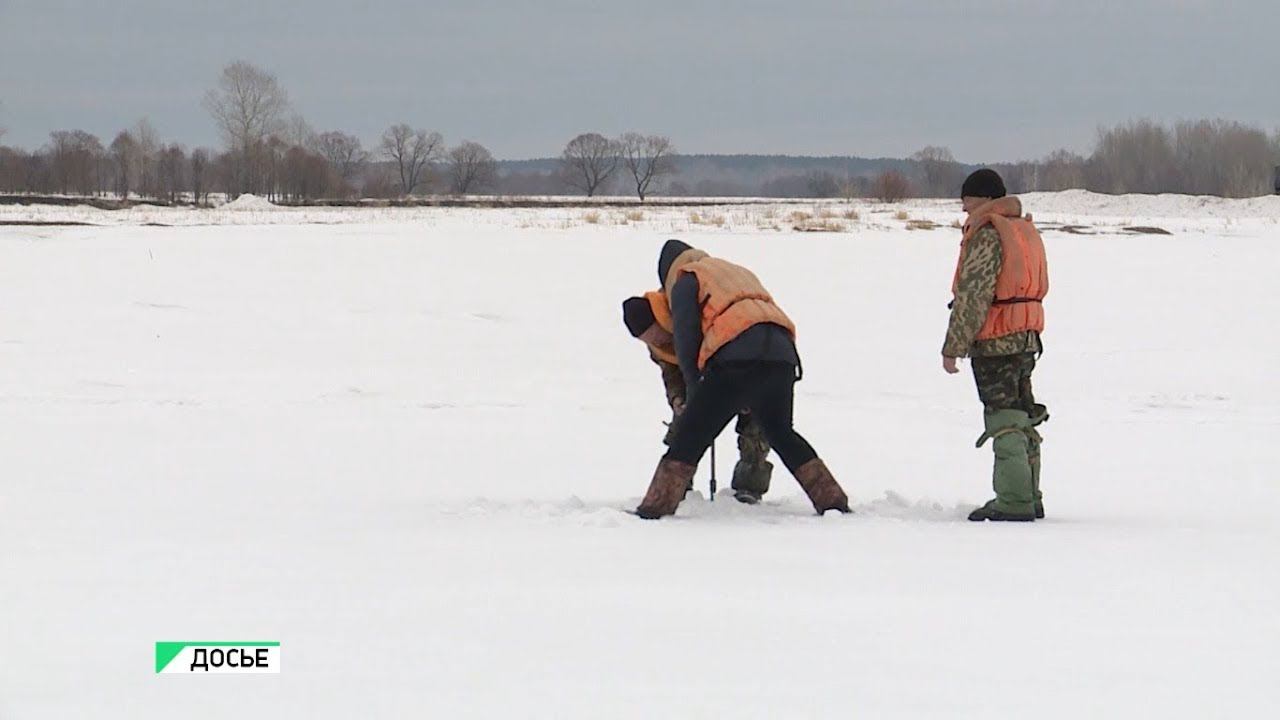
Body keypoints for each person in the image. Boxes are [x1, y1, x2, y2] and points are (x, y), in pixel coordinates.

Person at [633, 239, 850, 519]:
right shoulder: (733, 271)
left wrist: (694, 387)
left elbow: (686, 337)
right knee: (781, 433)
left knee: (691, 435)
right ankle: (832, 501)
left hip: (735, 356)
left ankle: (655, 508)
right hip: (782, 354)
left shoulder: (687, 278)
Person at [942, 169, 1050, 522]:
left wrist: (952, 346)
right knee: (1022, 415)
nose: (963, 208)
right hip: (1026, 337)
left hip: (996, 340)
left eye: (967, 200)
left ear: (985, 199)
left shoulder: (988, 233)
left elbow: (973, 295)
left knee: (1004, 418)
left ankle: (1014, 501)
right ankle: (1029, 495)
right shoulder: (1023, 230)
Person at [622, 292, 774, 503]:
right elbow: (671, 373)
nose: (656, 342)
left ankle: (750, 487)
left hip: (743, 366)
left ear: (659, 319)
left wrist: (741, 392)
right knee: (683, 427)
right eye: (648, 340)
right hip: (695, 381)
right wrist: (678, 400)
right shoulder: (658, 345)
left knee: (755, 426)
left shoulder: (691, 312)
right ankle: (677, 485)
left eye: (655, 335)